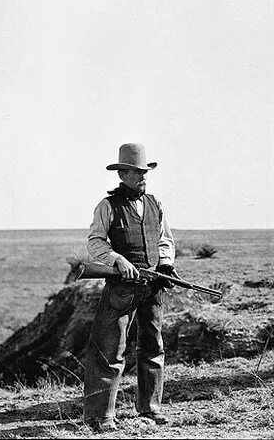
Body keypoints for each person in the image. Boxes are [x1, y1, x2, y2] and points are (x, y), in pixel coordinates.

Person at [83, 143, 177, 432]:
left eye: (145, 171)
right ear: (122, 173)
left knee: (153, 347)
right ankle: (101, 417)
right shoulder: (107, 206)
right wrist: (117, 259)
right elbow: (95, 243)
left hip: (152, 288)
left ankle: (150, 410)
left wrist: (165, 265)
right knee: (109, 350)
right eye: (136, 172)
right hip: (121, 288)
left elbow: (165, 239)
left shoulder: (155, 204)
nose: (143, 176)